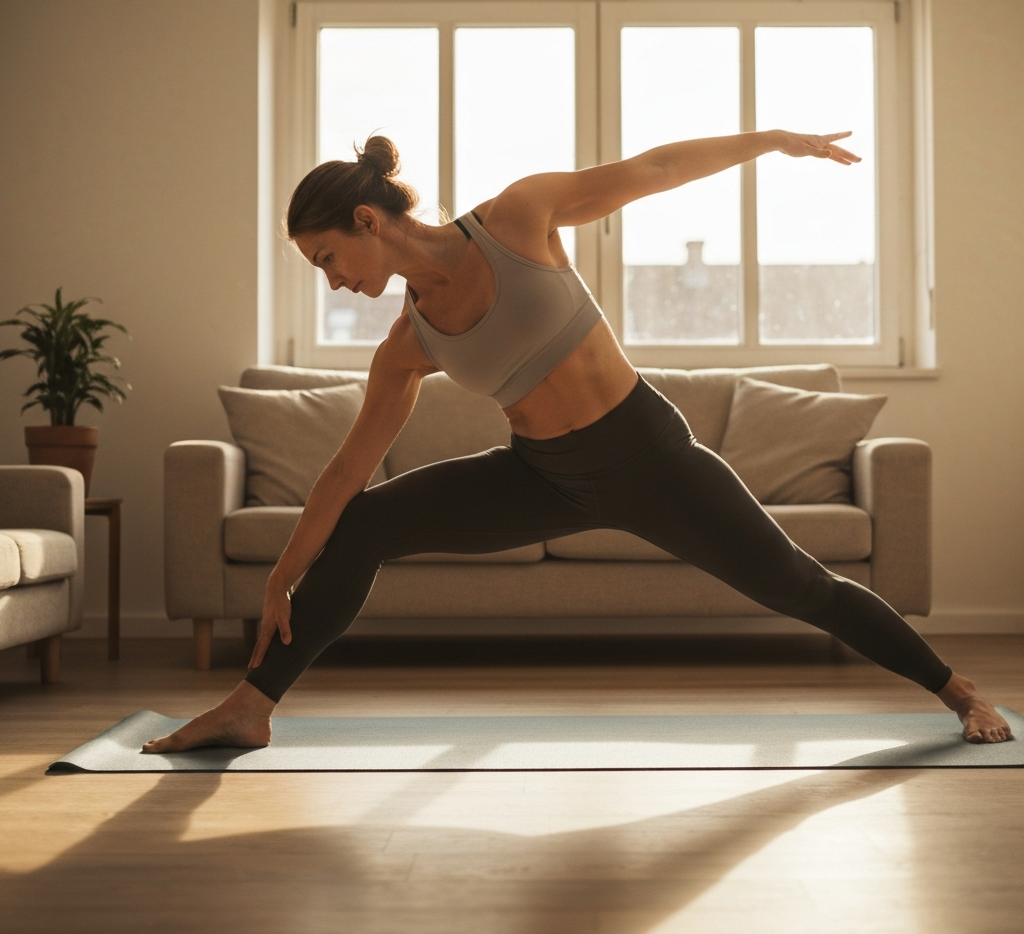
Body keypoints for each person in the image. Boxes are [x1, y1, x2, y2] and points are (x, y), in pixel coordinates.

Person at [145, 130, 1012, 753]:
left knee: (799, 587)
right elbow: (344, 470)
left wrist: (775, 142)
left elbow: (657, 168)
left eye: (328, 258)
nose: (332, 280)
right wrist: (281, 574)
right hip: (543, 479)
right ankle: (252, 706)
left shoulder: (517, 219)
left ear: (368, 221)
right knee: (365, 524)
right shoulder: (407, 344)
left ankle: (957, 691)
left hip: (650, 459)